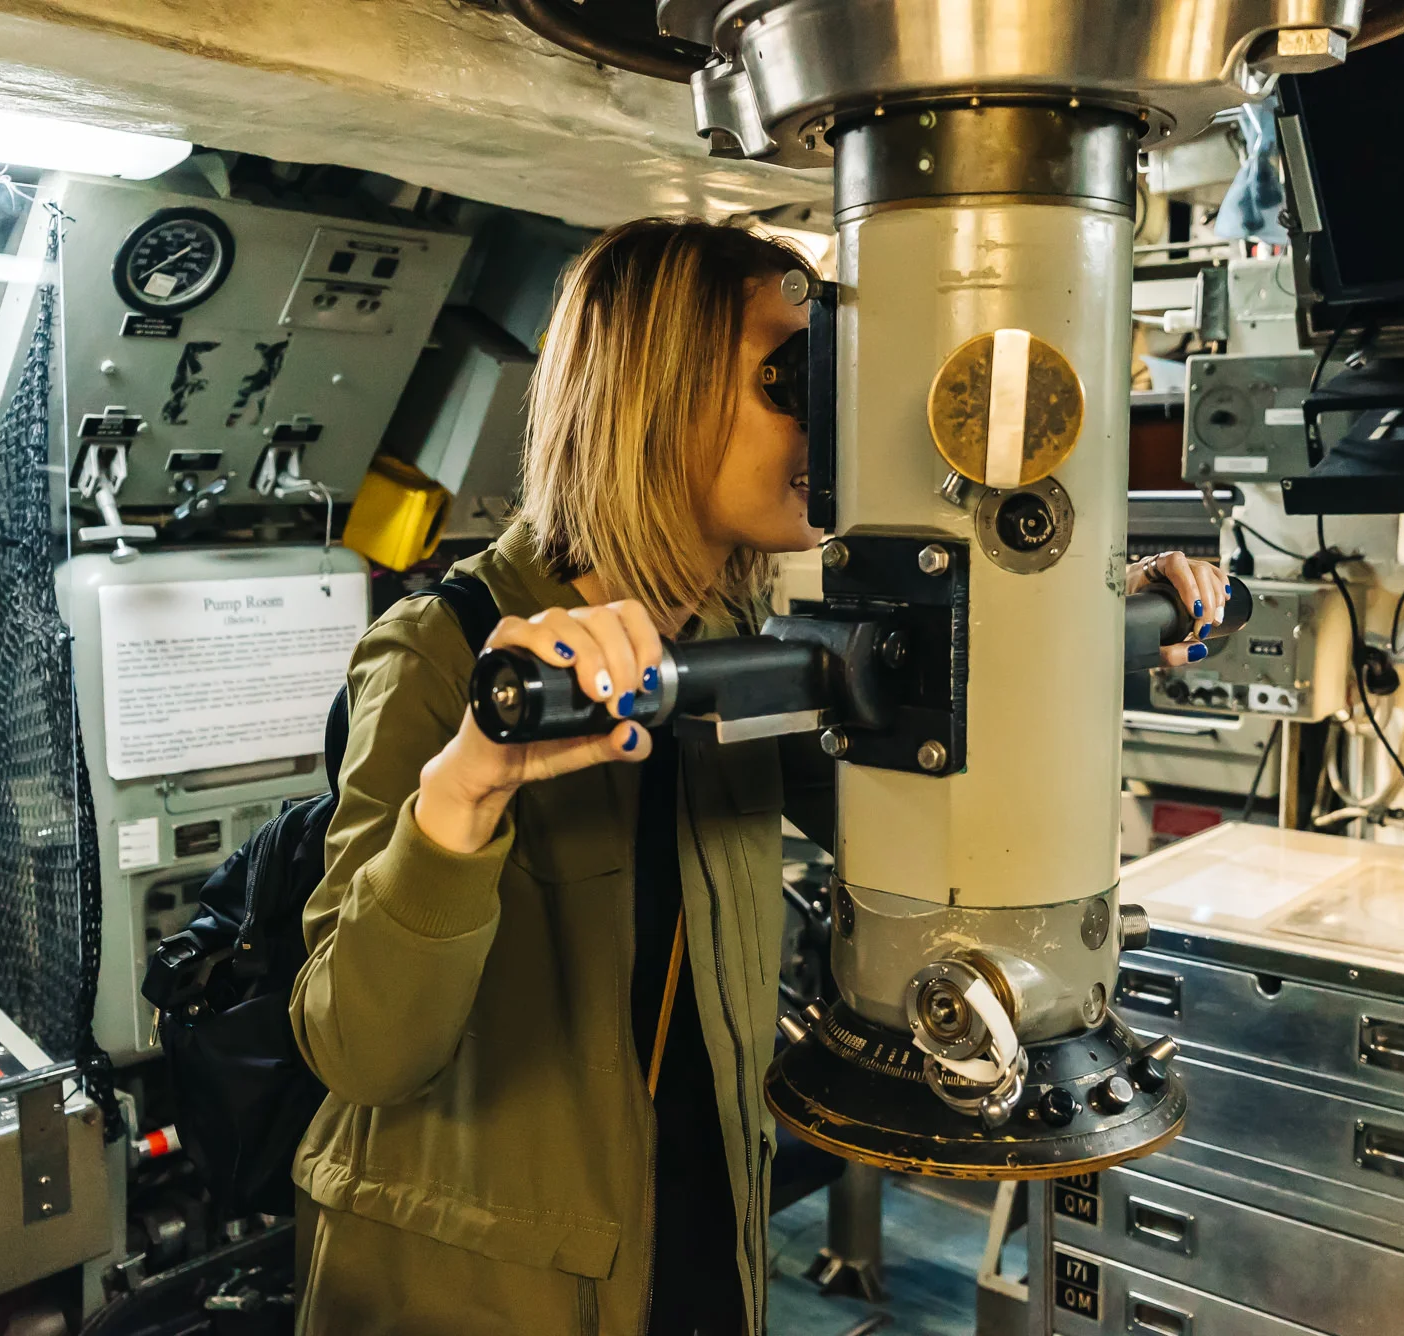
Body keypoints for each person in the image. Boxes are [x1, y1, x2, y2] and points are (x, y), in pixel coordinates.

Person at [288, 217, 1229, 1336]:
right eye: (793, 383)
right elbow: (357, 1048)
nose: (830, 423)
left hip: (697, 1240)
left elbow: (915, 804)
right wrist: (467, 789)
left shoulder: (734, 640)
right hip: (480, 1288)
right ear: (657, 399)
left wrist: (1084, 611)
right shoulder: (445, 655)